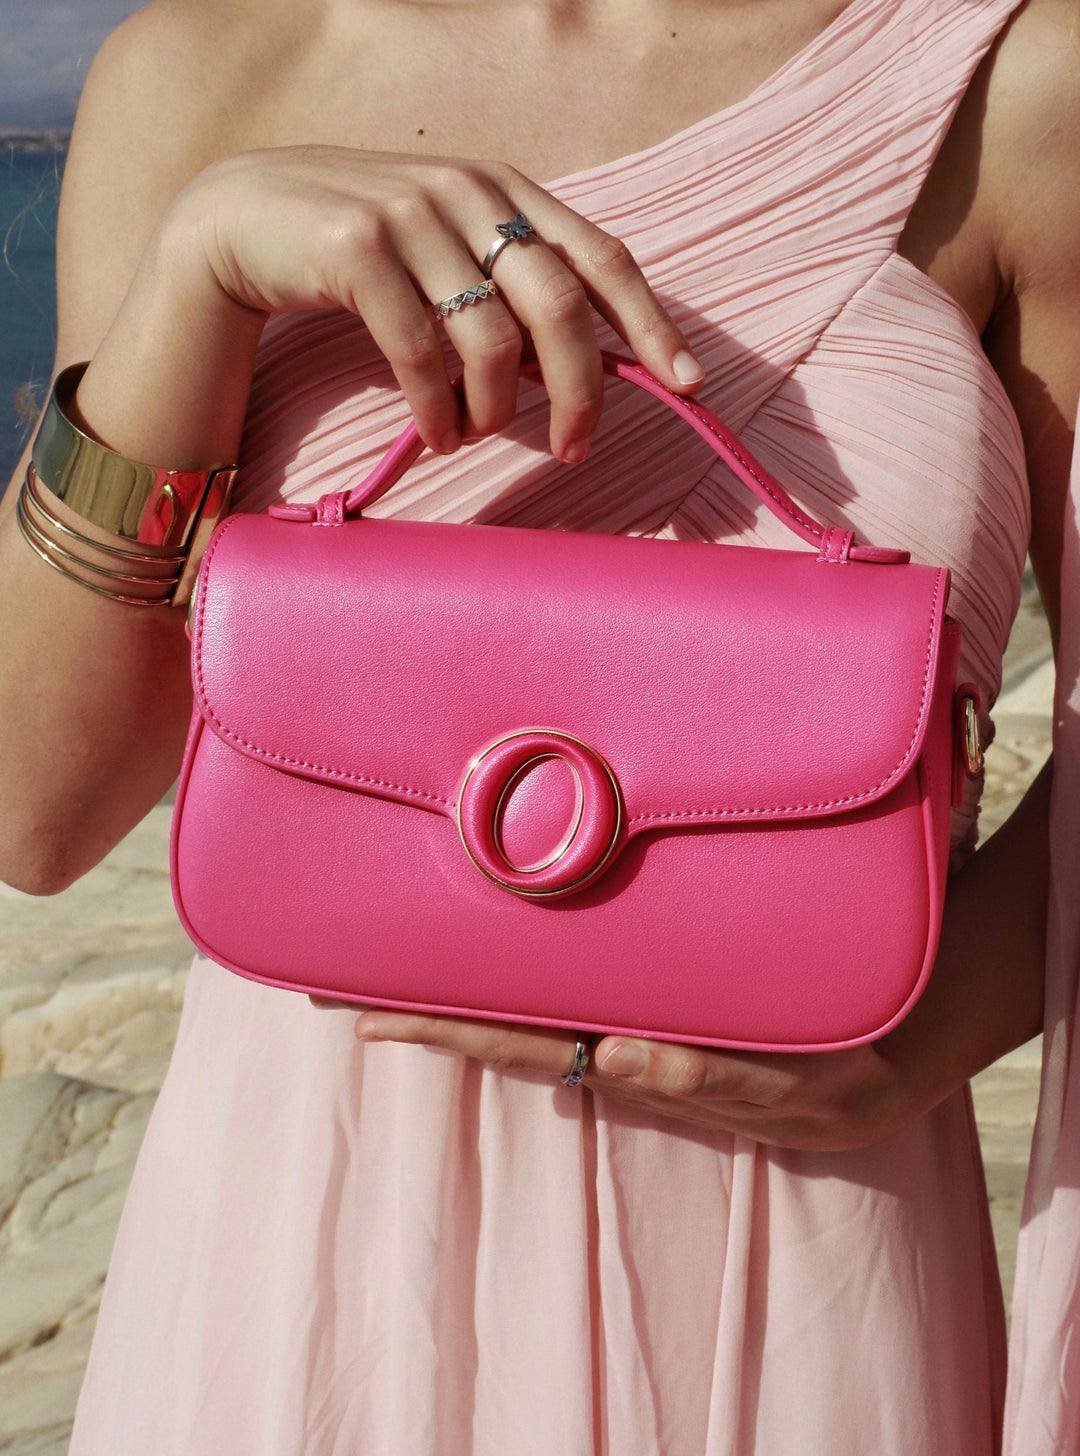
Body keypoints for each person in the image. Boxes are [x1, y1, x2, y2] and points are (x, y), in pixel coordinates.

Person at [0, 0, 1076, 1450]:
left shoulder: (1025, 86)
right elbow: (36, 809)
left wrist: (932, 1033)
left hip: (801, 1246)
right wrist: (200, 266)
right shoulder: (199, 73)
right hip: (306, 1241)